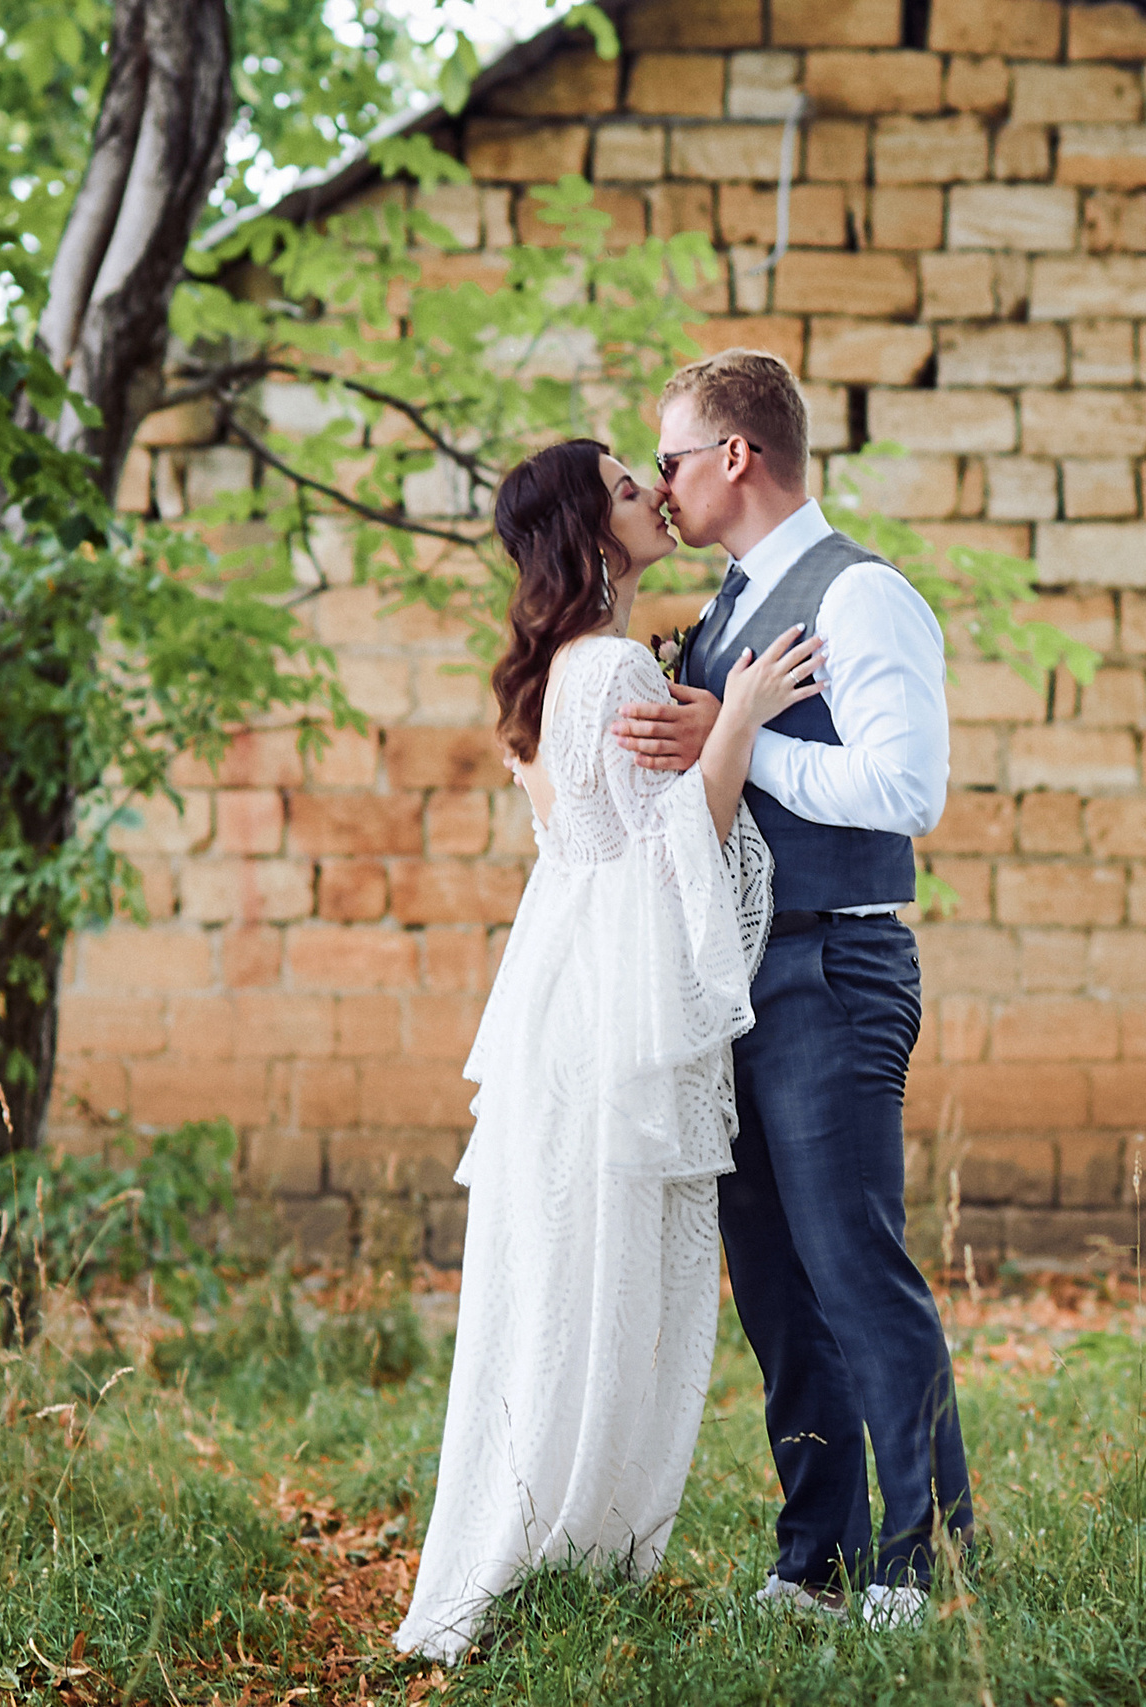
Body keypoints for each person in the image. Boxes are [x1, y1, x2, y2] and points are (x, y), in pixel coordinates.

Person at [392, 438, 825, 1664]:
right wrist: (740, 716)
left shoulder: (558, 672)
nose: (655, 498)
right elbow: (678, 850)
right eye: (630, 490)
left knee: (568, 1278)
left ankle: (546, 1547)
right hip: (613, 1018)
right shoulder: (610, 668)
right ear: (588, 532)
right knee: (612, 1282)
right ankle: (560, 1549)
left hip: (567, 998)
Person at [611, 348, 972, 1627]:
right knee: (772, 1283)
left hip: (832, 964)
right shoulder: (725, 609)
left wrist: (738, 739)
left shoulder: (862, 595)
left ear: (735, 455)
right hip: (737, 979)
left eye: (669, 459)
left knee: (853, 1267)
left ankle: (924, 1562)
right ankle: (813, 1559)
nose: (660, 485)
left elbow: (906, 790)